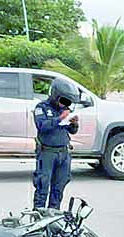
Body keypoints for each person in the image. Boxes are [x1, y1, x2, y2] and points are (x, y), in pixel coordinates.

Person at [33, 78, 80, 210]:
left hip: (63, 153)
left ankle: (53, 215)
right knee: (42, 185)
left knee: (58, 188)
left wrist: (74, 123)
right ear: (55, 95)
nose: (65, 104)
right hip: (47, 152)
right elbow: (42, 126)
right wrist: (60, 118)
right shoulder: (41, 108)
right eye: (63, 100)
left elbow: (72, 131)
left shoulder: (65, 109)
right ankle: (38, 216)